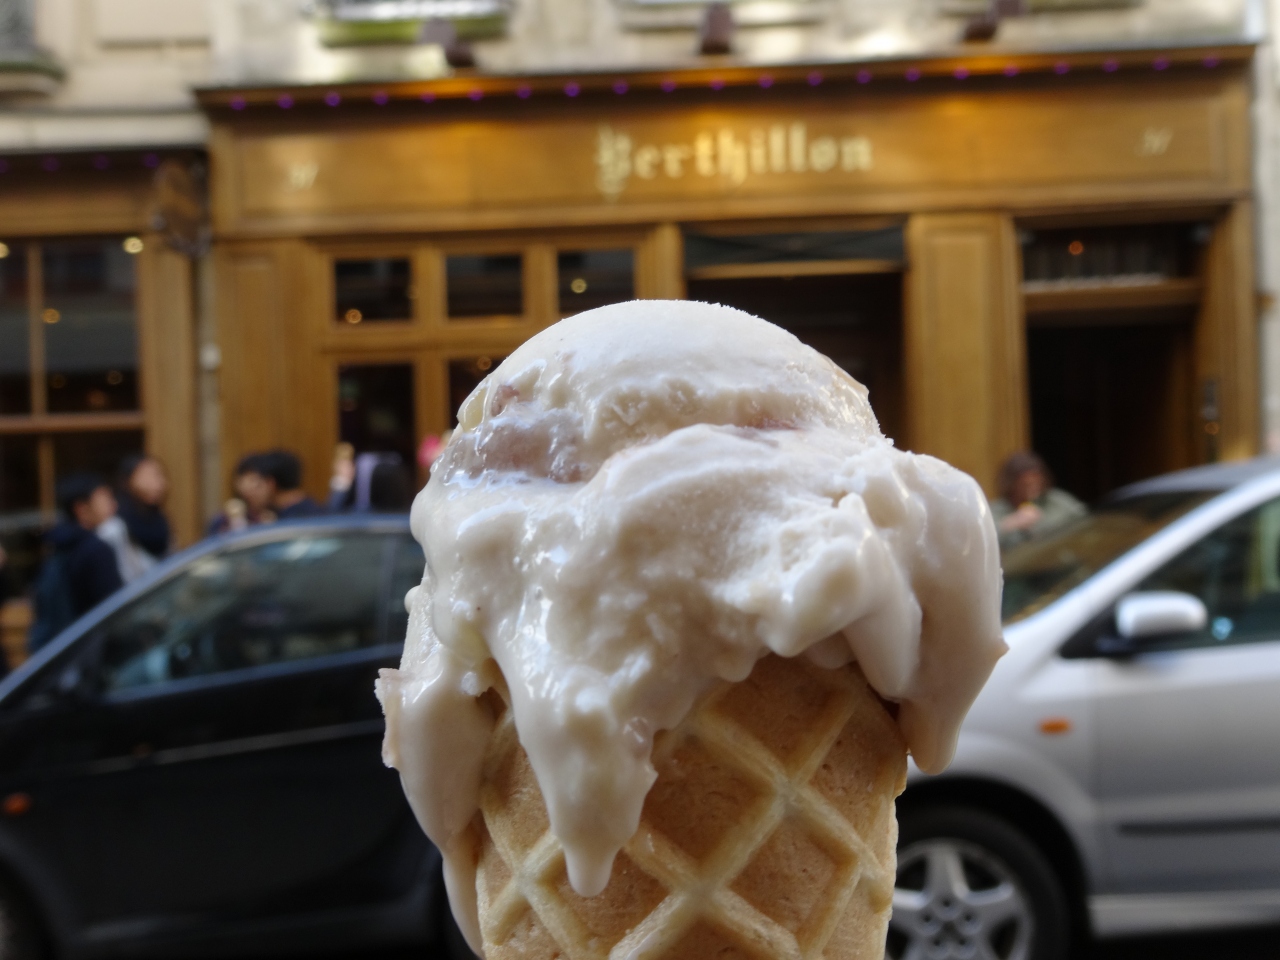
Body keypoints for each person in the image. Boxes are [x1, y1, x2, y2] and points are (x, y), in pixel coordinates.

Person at [29, 473, 124, 651]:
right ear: (82, 509)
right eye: (104, 498)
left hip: (61, 649)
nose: (113, 504)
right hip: (91, 649)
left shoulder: (58, 546)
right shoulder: (96, 549)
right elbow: (114, 608)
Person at [99, 454, 172, 583]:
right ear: (127, 481)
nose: (157, 484)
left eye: (158, 476)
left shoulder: (160, 519)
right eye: (146, 476)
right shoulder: (114, 527)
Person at [990, 451, 1087, 549]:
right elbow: (986, 540)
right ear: (1011, 484)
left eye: (1037, 484)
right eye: (1026, 485)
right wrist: (1011, 523)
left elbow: (1086, 522)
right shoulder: (996, 510)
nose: (1033, 489)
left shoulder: (1057, 501)